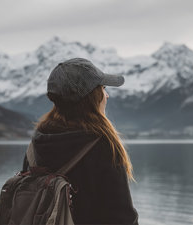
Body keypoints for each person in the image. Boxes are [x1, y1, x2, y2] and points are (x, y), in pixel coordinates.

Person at [28, 58, 139, 224]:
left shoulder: (37, 142)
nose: (106, 95)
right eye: (103, 88)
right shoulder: (103, 147)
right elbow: (122, 218)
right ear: (92, 97)